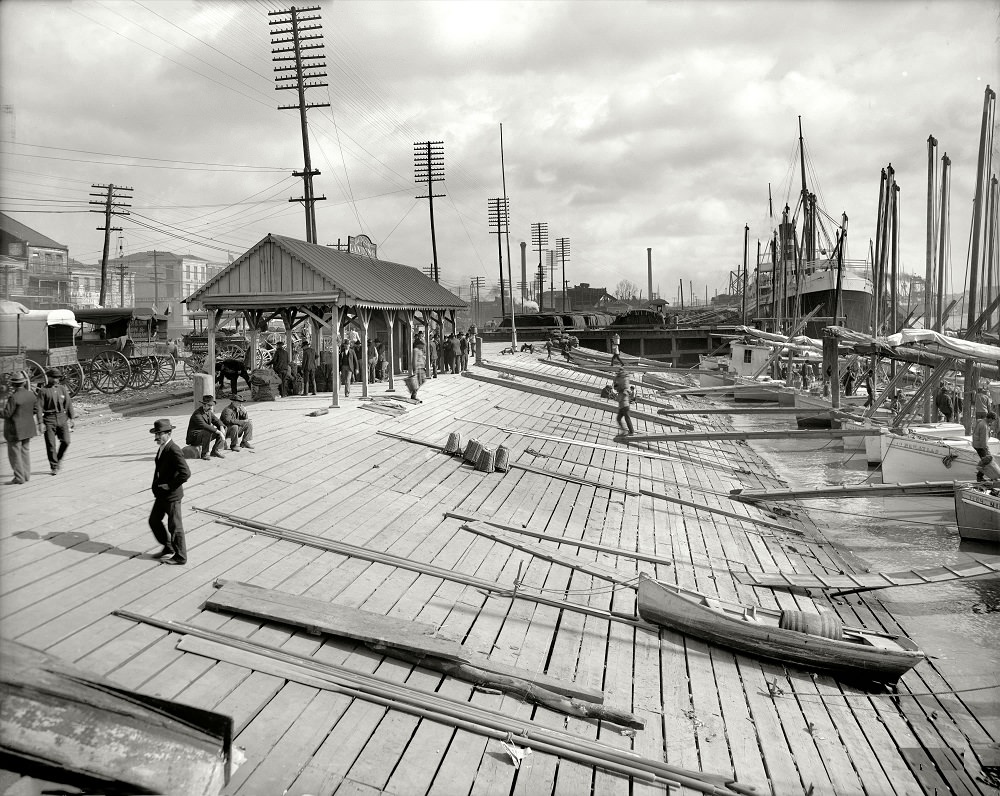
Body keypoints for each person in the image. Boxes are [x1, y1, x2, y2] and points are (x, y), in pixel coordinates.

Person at [148, 418, 191, 566]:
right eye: (156, 434)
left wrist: (171, 485)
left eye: (159, 434)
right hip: (161, 494)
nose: (157, 437)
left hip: (172, 495)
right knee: (154, 520)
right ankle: (168, 546)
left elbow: (185, 473)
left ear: (169, 433)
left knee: (175, 526)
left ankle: (180, 556)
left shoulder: (173, 449)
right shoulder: (162, 447)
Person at [2, 372, 40, 484]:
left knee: (14, 454)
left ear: (13, 385)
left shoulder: (13, 397)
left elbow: (6, 414)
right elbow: (35, 410)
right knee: (25, 452)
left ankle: (19, 477)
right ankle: (26, 475)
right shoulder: (31, 395)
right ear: (23, 383)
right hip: (28, 429)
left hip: (15, 431)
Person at [36, 367, 74, 475]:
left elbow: (68, 403)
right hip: (49, 419)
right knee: (50, 445)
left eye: (58, 378)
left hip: (62, 417)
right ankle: (54, 466)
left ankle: (58, 459)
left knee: (66, 441)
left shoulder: (62, 389)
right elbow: (38, 407)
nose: (56, 380)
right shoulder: (43, 391)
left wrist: (71, 418)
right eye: (54, 378)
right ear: (48, 378)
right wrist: (40, 423)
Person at [186, 395, 226, 459]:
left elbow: (216, 420)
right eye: (209, 406)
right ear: (204, 405)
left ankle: (215, 450)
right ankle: (204, 453)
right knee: (208, 431)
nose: (211, 408)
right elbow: (204, 426)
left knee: (223, 428)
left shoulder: (209, 412)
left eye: (211, 406)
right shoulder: (197, 414)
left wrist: (221, 427)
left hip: (204, 435)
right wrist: (219, 432)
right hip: (195, 437)